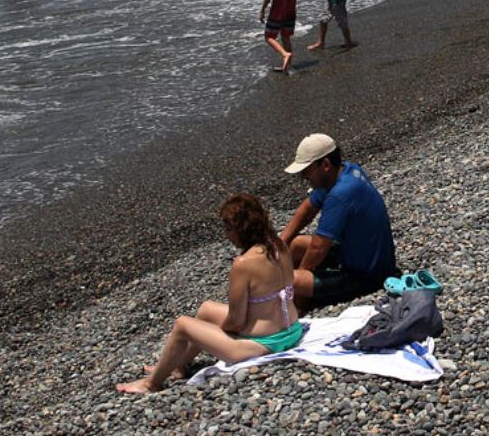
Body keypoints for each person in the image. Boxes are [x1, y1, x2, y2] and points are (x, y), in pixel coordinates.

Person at [115, 194, 303, 394]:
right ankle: (177, 366)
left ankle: (150, 384)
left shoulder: (243, 264)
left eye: (229, 230)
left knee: (183, 325)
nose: (227, 235)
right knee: (206, 310)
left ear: (241, 230)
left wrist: (212, 332)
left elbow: (237, 322)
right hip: (291, 329)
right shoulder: (278, 245)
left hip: (265, 344)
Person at [278, 134, 399, 307]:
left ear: (325, 165)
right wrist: (281, 241)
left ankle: (295, 309)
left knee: (294, 280)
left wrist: (300, 284)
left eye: (306, 171)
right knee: (295, 244)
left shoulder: (339, 195)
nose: (304, 177)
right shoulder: (347, 170)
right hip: (360, 253)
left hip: (366, 275)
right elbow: (308, 208)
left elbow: (318, 248)